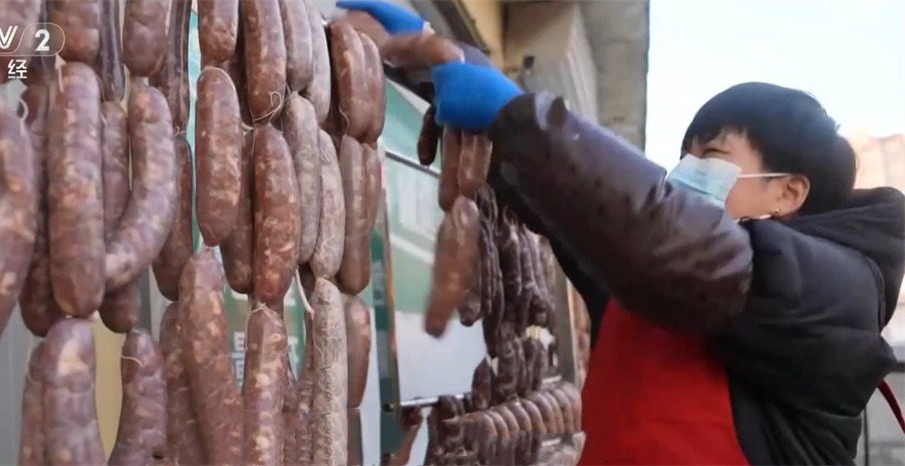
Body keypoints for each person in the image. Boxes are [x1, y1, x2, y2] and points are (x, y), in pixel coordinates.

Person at [337, 1, 905, 465]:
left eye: (711, 155)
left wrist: (517, 114)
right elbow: (578, 205)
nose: (686, 171)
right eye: (684, 155)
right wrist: (442, 60)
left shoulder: (835, 292)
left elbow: (680, 246)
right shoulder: (649, 273)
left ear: (788, 191)